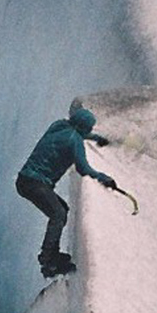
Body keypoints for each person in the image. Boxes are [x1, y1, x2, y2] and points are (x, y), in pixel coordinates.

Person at [15, 98, 122, 277]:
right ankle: (48, 261)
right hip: (36, 184)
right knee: (58, 214)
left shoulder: (58, 125)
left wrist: (96, 138)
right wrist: (104, 178)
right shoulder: (75, 142)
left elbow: (76, 131)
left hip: (24, 180)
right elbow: (83, 168)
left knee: (62, 209)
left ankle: (52, 255)